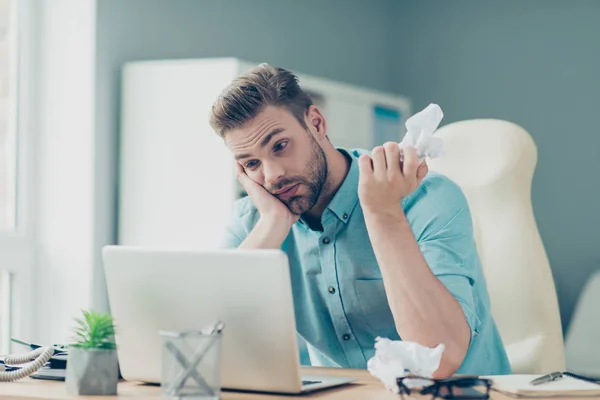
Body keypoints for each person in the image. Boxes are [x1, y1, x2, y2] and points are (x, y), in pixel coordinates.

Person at [210, 63, 511, 377]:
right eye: (252, 163)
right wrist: (272, 224)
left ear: (316, 123)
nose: (273, 175)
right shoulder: (254, 220)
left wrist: (384, 214)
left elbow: (438, 359)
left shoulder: (428, 198)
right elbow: (206, 349)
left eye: (280, 146)